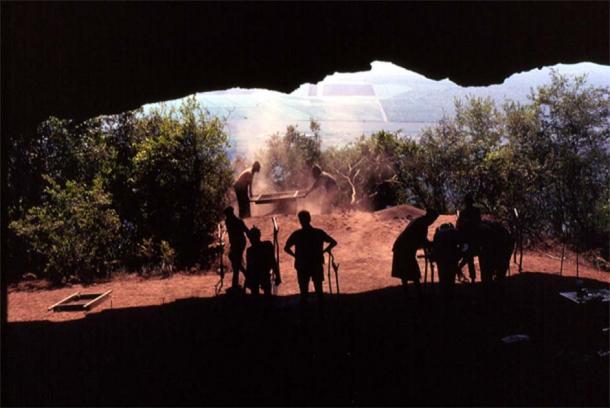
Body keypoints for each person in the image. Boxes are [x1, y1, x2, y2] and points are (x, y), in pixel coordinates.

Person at [284, 210, 337, 307]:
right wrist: (324, 251)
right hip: (316, 264)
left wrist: (295, 256)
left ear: (300, 221)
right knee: (319, 290)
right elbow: (333, 242)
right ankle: (321, 313)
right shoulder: (318, 232)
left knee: (304, 292)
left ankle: (305, 314)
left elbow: (286, 248)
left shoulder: (297, 234)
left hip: (302, 265)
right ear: (309, 219)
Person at [391, 209, 439, 298]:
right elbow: (423, 240)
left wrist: (429, 245)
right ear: (430, 217)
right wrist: (432, 245)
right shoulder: (422, 223)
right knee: (412, 272)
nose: (433, 221)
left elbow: (422, 240)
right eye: (433, 219)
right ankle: (418, 294)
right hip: (403, 247)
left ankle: (410, 294)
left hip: (403, 247)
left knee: (406, 271)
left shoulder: (421, 221)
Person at [432, 222, 465, 301]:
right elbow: (462, 244)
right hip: (451, 258)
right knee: (451, 277)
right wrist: (459, 255)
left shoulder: (438, 233)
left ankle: (443, 295)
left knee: (442, 276)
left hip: (440, 258)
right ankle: (450, 295)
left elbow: (435, 247)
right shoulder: (454, 231)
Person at [245, 226, 281, 297]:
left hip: (263, 275)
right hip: (257, 276)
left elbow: (272, 262)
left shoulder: (266, 246)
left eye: (252, 237)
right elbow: (249, 266)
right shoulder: (251, 250)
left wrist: (277, 275)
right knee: (257, 297)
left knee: (265, 295)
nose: (251, 240)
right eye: (250, 238)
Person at [456, 192, 481, 283]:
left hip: (469, 239)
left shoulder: (464, 213)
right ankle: (472, 277)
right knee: (469, 258)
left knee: (468, 257)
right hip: (472, 238)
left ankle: (462, 271)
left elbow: (459, 226)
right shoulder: (475, 211)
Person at [223, 206, 250, 293]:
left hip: (239, 243)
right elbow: (246, 231)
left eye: (227, 214)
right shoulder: (232, 221)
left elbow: (246, 231)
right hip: (236, 244)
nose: (226, 216)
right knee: (236, 263)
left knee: (236, 264)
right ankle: (246, 278)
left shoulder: (235, 221)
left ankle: (236, 284)